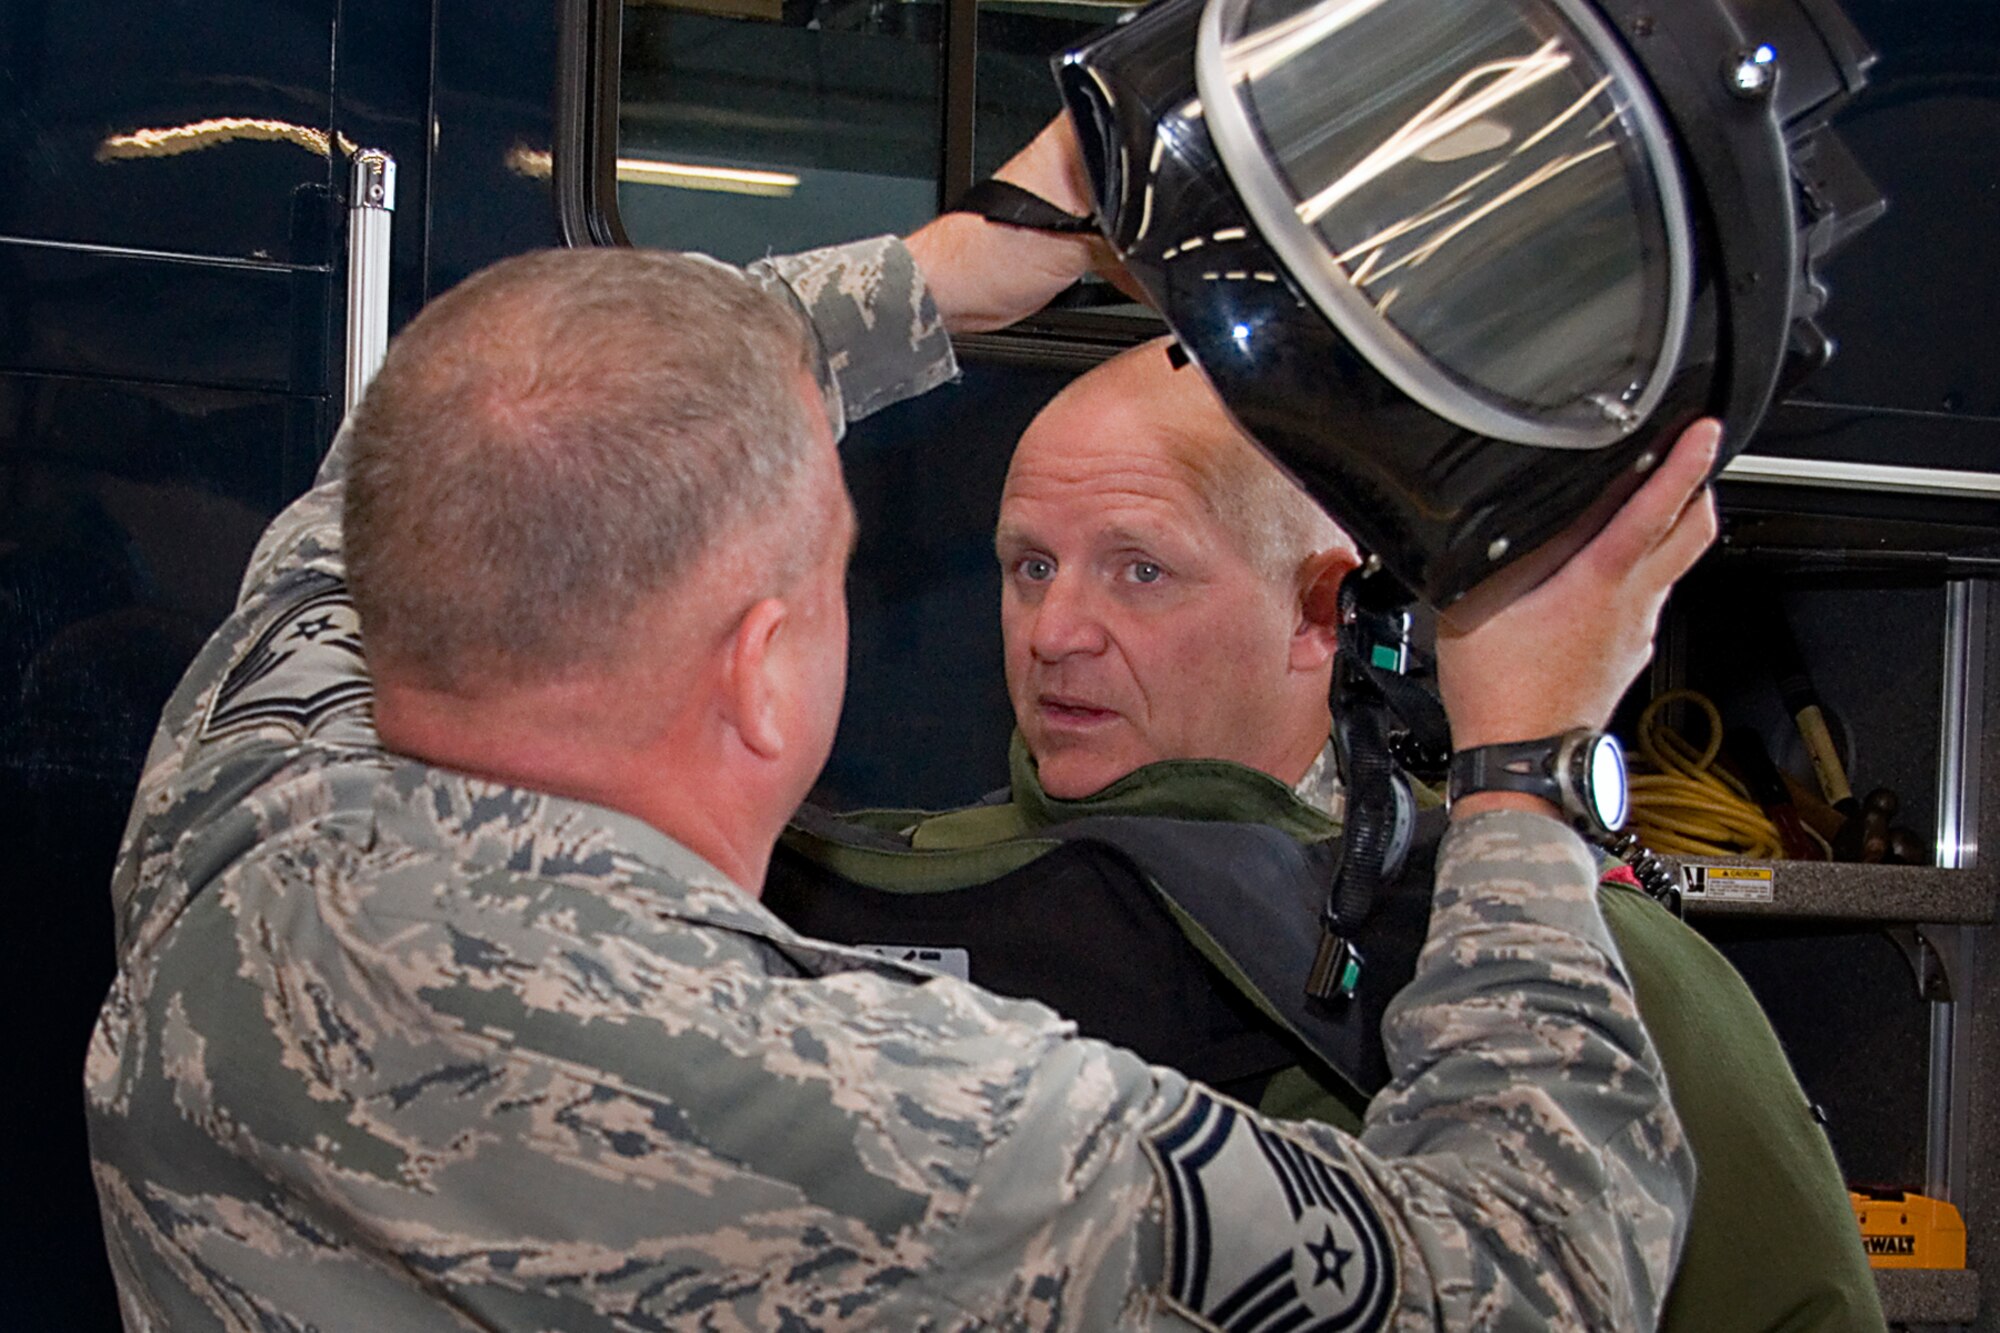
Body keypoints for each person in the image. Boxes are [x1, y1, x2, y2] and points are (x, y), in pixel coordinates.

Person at [85, 137, 1694, 1330]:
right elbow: (1534, 1272)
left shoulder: (239, 810)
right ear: (767, 668)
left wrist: (959, 260)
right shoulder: (901, 1120)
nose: (1062, 623)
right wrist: (1531, 769)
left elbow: (399, 444)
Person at [772, 339, 1886, 1331]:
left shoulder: (1560, 964)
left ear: (1323, 614)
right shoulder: (859, 913)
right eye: (1030, 567)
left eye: (1139, 569)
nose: (1056, 632)